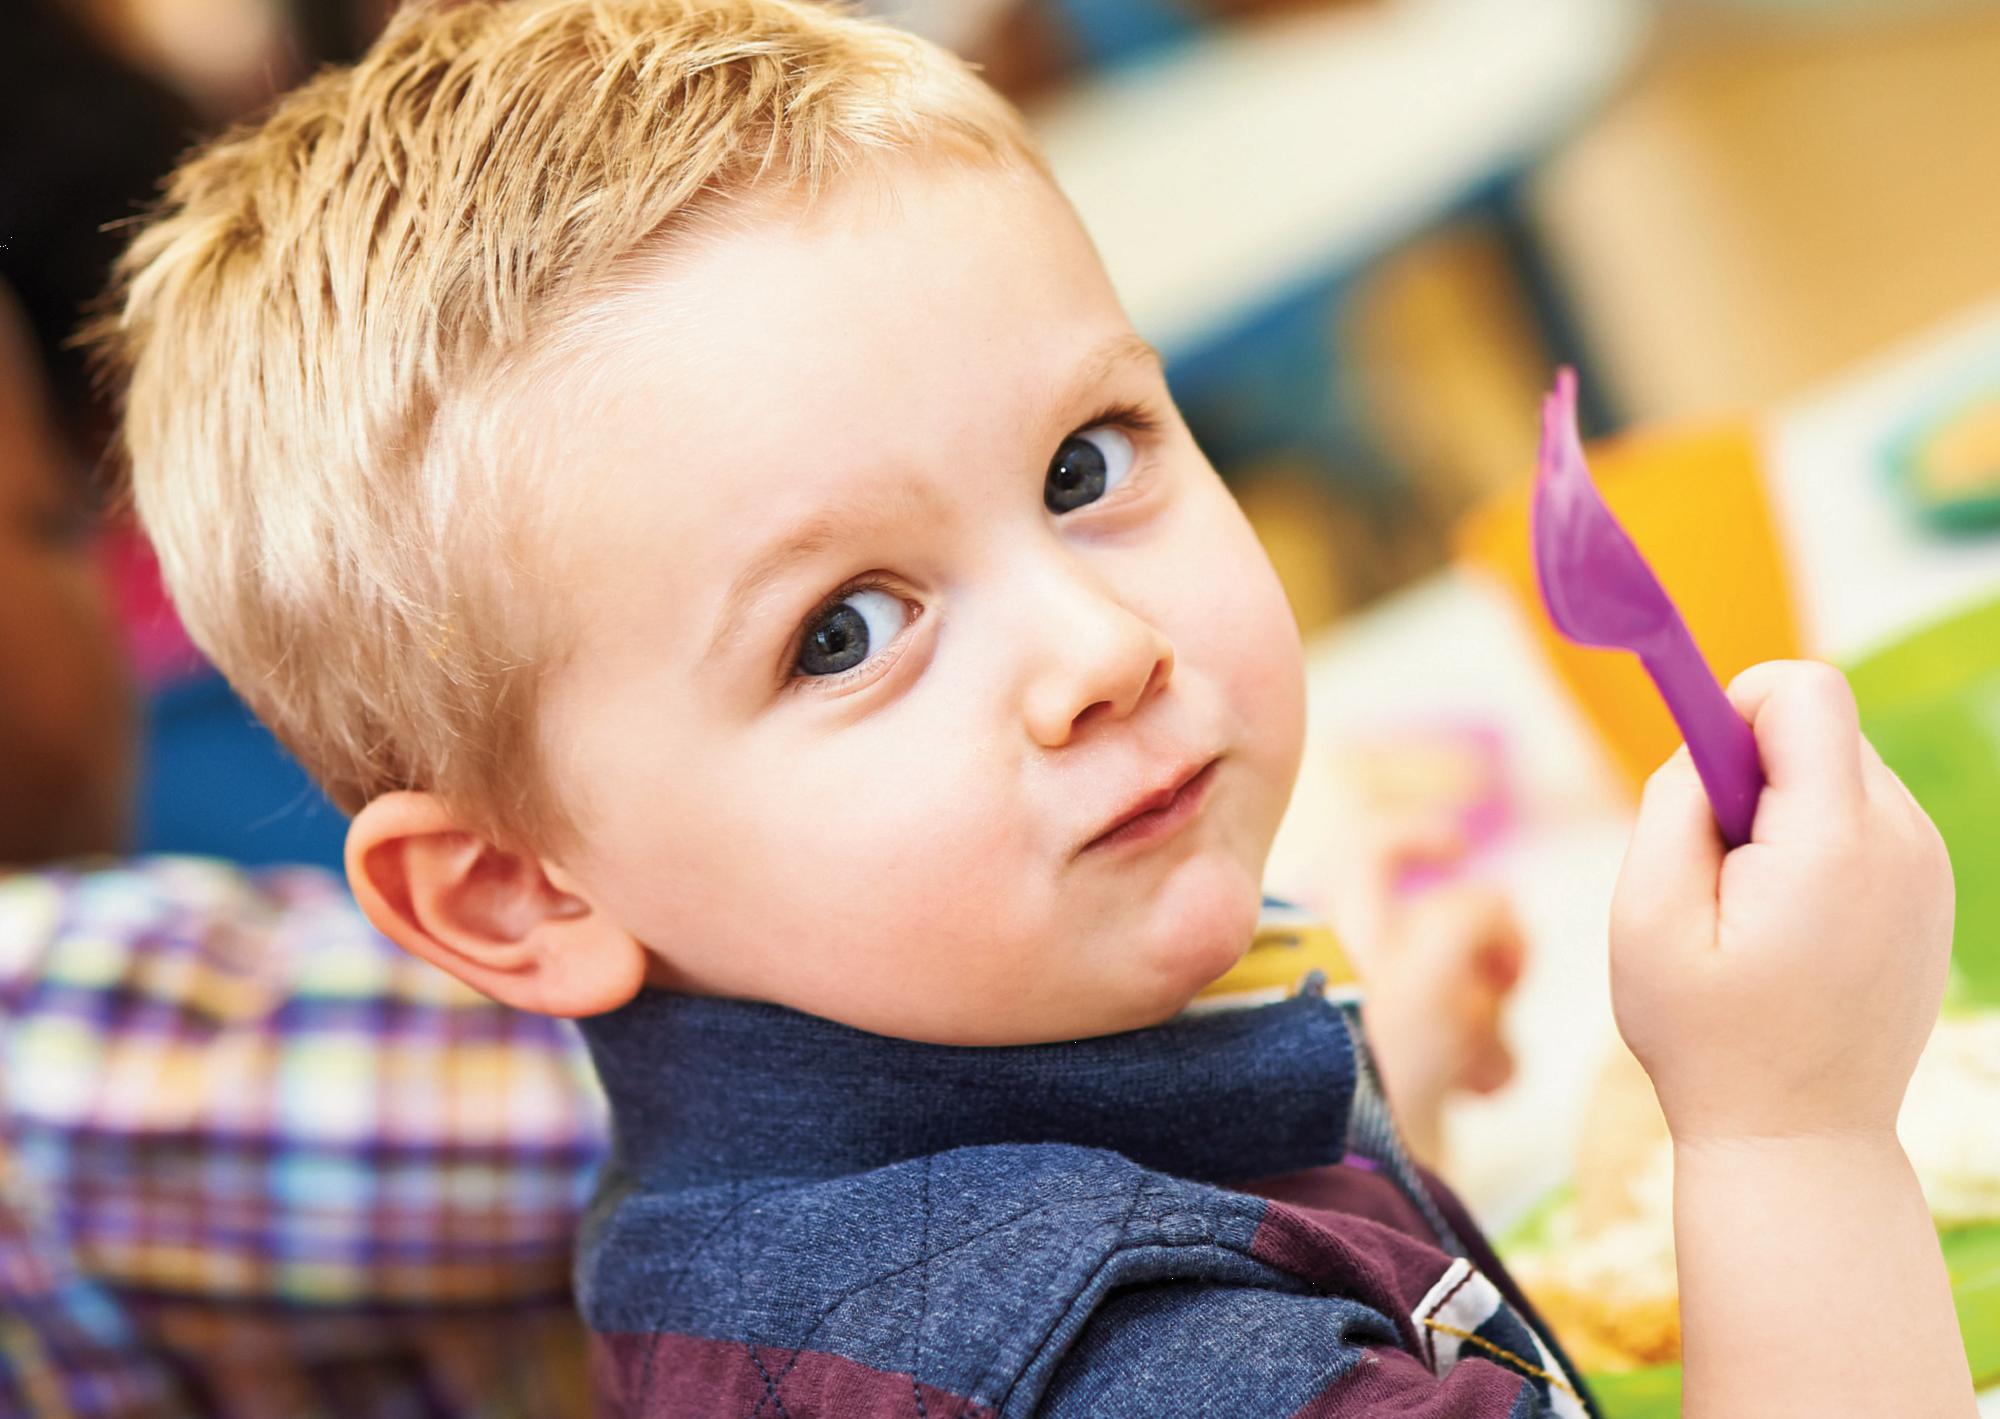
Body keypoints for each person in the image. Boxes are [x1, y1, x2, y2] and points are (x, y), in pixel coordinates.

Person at [88, 1, 1973, 1415]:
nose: (1098, 648)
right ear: (520, 895)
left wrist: (1359, 1124)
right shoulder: (1109, 1366)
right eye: (843, 633)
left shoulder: (913, 1105)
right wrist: (1787, 1131)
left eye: (1087, 462)